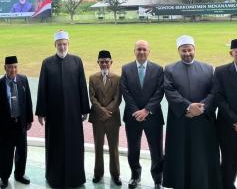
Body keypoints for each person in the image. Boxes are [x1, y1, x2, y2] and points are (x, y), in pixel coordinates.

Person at [162, 35, 222, 189]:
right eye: (183, 50)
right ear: (178, 51)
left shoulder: (208, 68)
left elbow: (214, 92)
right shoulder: (169, 69)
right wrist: (188, 107)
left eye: (189, 50)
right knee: (181, 154)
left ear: (195, 49)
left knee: (201, 155)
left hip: (203, 122)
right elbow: (170, 91)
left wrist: (200, 108)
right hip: (181, 120)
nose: (187, 53)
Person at [35, 30, 90, 188]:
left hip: (73, 114)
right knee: (55, 145)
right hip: (54, 114)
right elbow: (42, 88)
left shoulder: (76, 61)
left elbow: (81, 86)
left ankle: (76, 177)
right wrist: (41, 112)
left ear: (68, 44)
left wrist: (84, 109)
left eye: (65, 44)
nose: (62, 46)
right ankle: (54, 177)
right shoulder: (47, 63)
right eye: (59, 44)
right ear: (55, 45)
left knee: (74, 145)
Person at [120, 40, 164, 189]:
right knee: (133, 148)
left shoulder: (158, 69)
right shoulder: (126, 69)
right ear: (134, 51)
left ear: (149, 51)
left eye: (144, 49)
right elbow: (125, 92)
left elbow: (159, 92)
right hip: (133, 117)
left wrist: (146, 110)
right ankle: (135, 176)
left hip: (153, 117)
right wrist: (136, 111)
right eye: (139, 49)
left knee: (156, 150)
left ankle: (158, 179)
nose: (141, 52)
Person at [0, 56, 33, 188]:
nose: (13, 70)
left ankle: (19, 174)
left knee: (22, 151)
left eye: (15, 67)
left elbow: (28, 101)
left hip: (20, 123)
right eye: (10, 67)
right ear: (5, 68)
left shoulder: (23, 80)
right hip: (5, 126)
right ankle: (4, 177)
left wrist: (29, 119)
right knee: (5, 154)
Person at [213, 38, 237, 189]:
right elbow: (219, 98)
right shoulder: (220, 72)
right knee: (228, 167)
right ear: (231, 53)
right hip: (228, 129)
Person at [89, 50, 123, 187]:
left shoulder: (117, 78)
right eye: (101, 61)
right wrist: (102, 111)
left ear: (111, 62)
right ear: (98, 62)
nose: (104, 64)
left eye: (106, 61)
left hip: (113, 118)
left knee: (113, 148)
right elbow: (92, 97)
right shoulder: (92, 77)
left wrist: (107, 111)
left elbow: (118, 98)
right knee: (98, 147)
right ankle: (98, 173)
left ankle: (115, 175)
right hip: (97, 118)